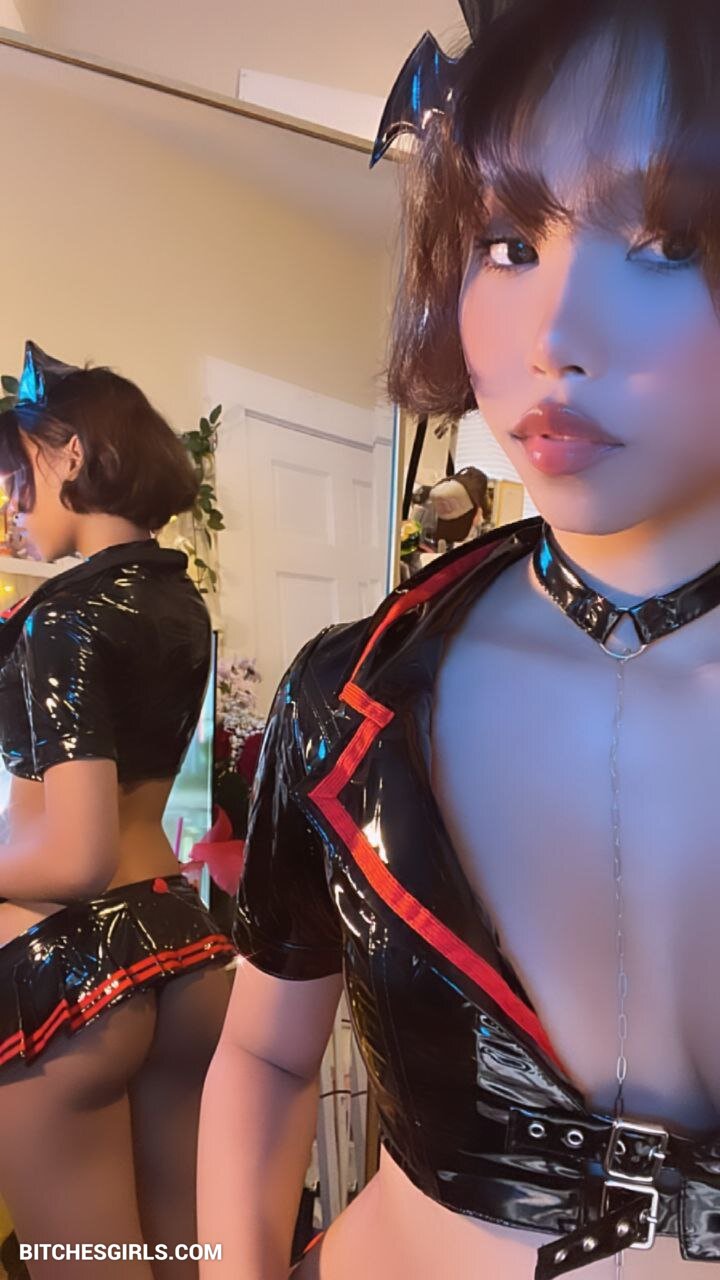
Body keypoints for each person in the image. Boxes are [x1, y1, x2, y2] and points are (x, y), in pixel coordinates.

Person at [198, 1, 720, 1276]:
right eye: (508, 242)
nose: (553, 339)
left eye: (667, 241)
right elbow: (267, 1052)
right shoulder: (353, 697)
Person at [0, 342, 236, 1278]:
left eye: (18, 475)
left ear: (69, 453)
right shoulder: (182, 605)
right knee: (185, 1253)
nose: (12, 502)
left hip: (71, 969)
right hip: (182, 946)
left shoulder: (63, 616)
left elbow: (76, 857)